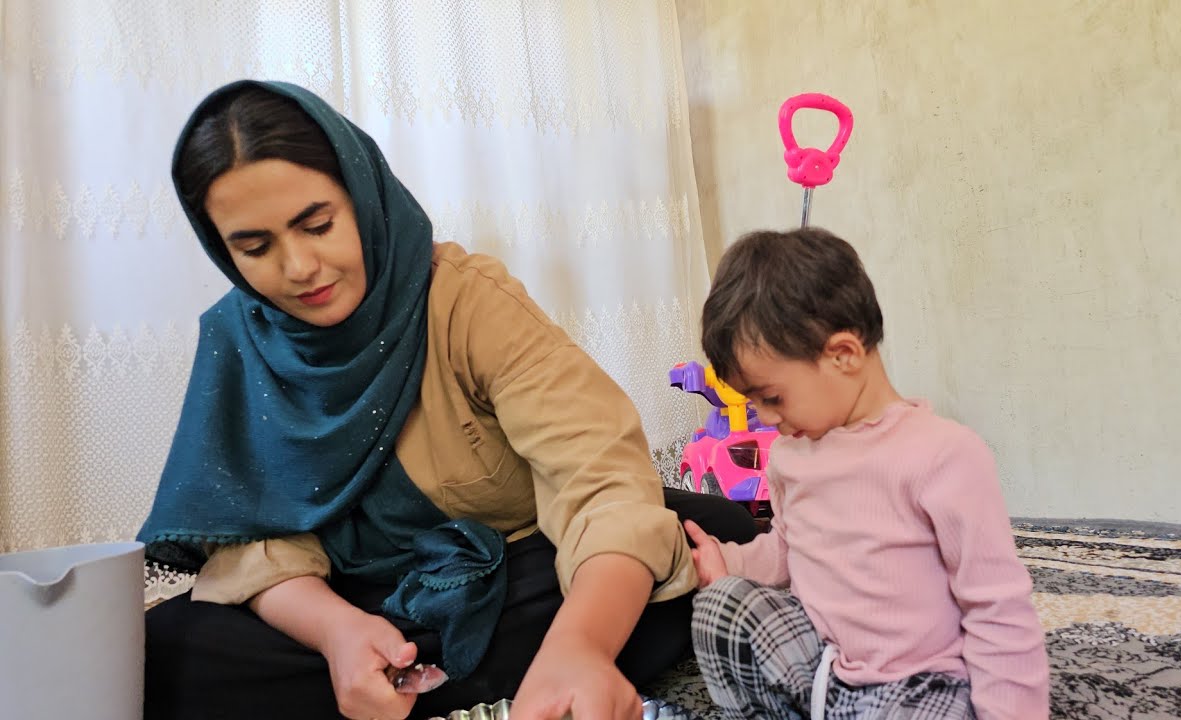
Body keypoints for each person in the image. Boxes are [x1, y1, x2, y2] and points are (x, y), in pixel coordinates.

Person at [137, 79, 757, 720]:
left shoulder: (463, 298)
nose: (298, 267)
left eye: (317, 225)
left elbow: (597, 474)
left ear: (361, 195)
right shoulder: (239, 340)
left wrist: (582, 645)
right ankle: (415, 671)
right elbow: (250, 539)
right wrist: (337, 634)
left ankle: (493, 670)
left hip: (512, 567)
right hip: (347, 596)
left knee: (711, 538)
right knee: (156, 652)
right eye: (255, 247)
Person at [683, 228, 1049, 720]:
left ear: (844, 355)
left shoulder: (945, 455)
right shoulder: (790, 455)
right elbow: (787, 548)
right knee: (719, 607)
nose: (765, 418)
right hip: (822, 673)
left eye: (771, 398)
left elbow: (997, 609)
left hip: (917, 688)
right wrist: (727, 561)